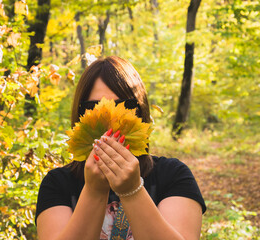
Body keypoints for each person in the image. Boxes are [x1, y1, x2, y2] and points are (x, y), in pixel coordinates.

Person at [35, 56, 206, 240]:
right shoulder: (57, 184)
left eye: (124, 106)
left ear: (141, 113)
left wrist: (132, 191)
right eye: (94, 108)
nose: (110, 121)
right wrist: (94, 191)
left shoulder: (173, 175)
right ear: (79, 117)